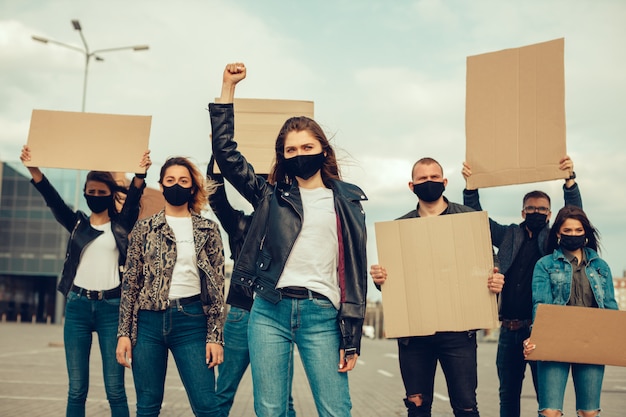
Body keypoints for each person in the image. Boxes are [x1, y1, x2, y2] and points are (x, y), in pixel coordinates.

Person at [209, 62, 368, 417]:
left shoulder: (349, 202)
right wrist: (228, 89)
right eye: (291, 150)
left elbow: (354, 274)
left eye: (306, 147)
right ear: (282, 156)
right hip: (269, 310)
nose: (299, 155)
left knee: (335, 409)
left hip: (322, 315)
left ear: (323, 150)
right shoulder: (269, 196)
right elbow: (227, 155)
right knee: (270, 410)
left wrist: (351, 336)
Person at [19, 145, 151, 417]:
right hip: (77, 307)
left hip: (111, 309)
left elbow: (134, 197)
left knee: (115, 389)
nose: (95, 196)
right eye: (90, 192)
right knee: (77, 389)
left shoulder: (121, 224)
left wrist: (140, 174)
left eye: (101, 192)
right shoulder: (77, 223)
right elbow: (53, 201)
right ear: (84, 194)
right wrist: (35, 171)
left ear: (111, 194)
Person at [370, 157, 504, 417]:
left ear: (444, 182)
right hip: (414, 333)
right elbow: (394, 280)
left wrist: (495, 278)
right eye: (422, 178)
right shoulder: (398, 229)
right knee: (417, 407)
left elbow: (490, 261)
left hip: (459, 332)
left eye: (434, 178)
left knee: (466, 407)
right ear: (412, 185)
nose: (428, 182)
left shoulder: (469, 220)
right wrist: (380, 279)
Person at [462, 157, 582, 417]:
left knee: (546, 397)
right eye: (530, 208)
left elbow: (574, 215)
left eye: (541, 210)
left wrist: (570, 182)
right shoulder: (509, 235)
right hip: (509, 330)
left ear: (550, 215)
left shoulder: (552, 241)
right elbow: (476, 222)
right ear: (522, 212)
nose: (535, 213)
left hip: (541, 330)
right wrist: (471, 189)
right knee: (508, 395)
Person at [115, 156, 226, 417]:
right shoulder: (144, 228)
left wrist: (215, 336)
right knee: (147, 407)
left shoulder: (208, 229)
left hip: (192, 322)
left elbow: (217, 288)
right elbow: (131, 283)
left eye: (183, 181)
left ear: (191, 188)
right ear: (162, 186)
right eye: (170, 180)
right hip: (148, 324)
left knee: (207, 406)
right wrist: (124, 333)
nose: (177, 185)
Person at [206, 157, 297, 417]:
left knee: (283, 401)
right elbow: (217, 198)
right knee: (222, 394)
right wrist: (217, 155)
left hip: (278, 315)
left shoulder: (294, 223)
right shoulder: (240, 224)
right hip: (242, 315)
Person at [524, 206, 618, 417]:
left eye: (578, 230)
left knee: (589, 412)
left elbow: (611, 308)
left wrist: (616, 341)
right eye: (568, 230)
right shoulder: (545, 265)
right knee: (549, 412)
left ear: (585, 232)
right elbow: (540, 305)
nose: (573, 235)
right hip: (555, 340)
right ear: (558, 232)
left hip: (591, 342)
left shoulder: (601, 267)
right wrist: (535, 337)